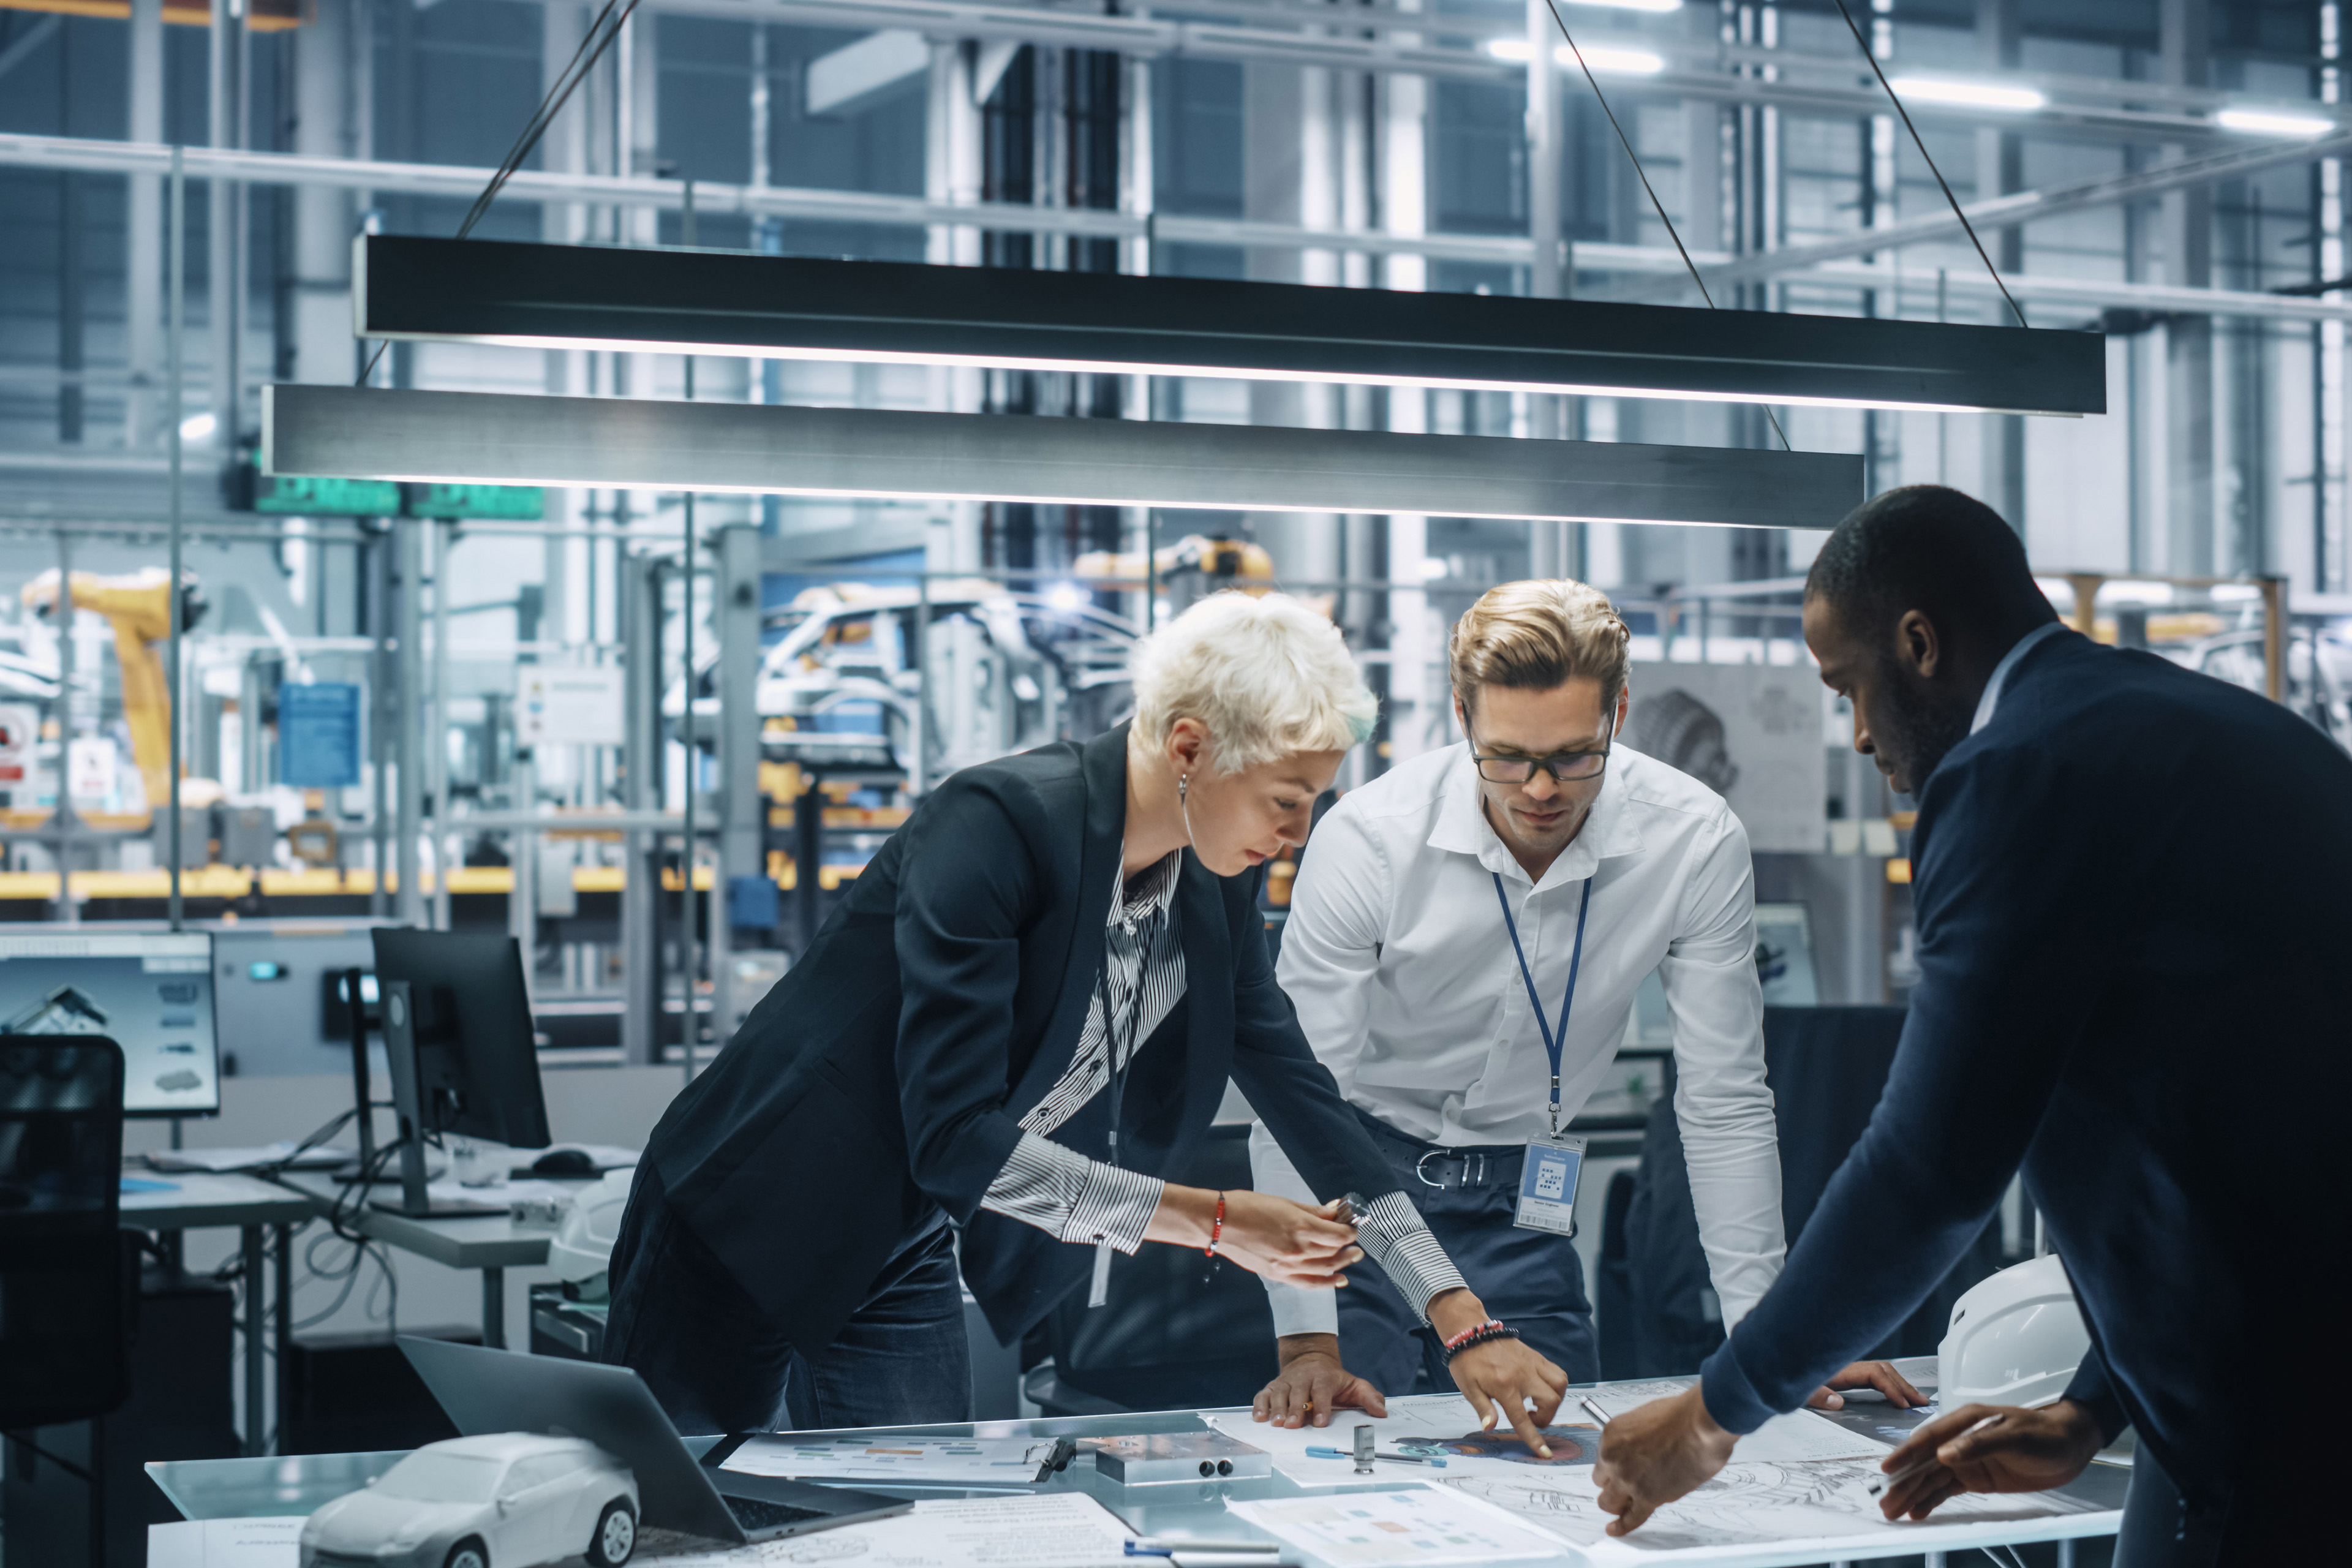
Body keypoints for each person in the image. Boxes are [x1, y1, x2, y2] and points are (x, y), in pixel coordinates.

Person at [603, 590, 1562, 1445]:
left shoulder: (1211, 882)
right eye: (1286, 798)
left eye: (1314, 800)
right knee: (674, 1509)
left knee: (924, 1521)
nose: (1299, 832)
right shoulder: (998, 824)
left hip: (902, 1236)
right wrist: (1220, 1223)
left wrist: (1459, 1313)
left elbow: (1305, 1100)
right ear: (1189, 747)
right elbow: (953, 1139)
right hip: (748, 1212)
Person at [1589, 486, 2346, 1562]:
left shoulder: (2015, 773)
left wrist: (1718, 1412)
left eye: (1850, 685)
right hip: (2261, 1385)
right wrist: (2097, 1406)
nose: (1855, 734)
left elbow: (1932, 1166)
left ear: (1919, 643)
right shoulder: (2190, 728)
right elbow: (2230, 1121)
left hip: (2282, 1423)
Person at [1249, 579, 1915, 1429]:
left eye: (1572, 756)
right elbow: (1298, 1107)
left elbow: (1723, 1102)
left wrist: (1776, 1336)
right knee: (1352, 1462)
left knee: (1560, 1468)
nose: (1537, 789)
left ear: (1620, 712)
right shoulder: (1370, 840)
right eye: (1505, 756)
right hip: (1355, 1202)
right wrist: (1307, 1342)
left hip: (1527, 1202)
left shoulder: (1692, 840)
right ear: (1461, 715)